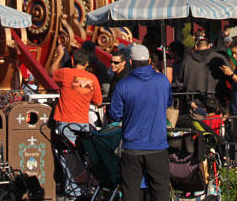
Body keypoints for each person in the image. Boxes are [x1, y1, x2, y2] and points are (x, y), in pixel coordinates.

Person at [108, 44, 172, 201]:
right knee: (161, 192)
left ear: (130, 62)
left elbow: (115, 115)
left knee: (130, 193)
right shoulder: (162, 81)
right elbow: (168, 102)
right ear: (150, 61)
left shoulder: (123, 85)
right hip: (158, 146)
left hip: (132, 147)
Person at [52, 48, 103, 198]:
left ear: (73, 60)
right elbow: (98, 102)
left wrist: (59, 56)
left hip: (64, 122)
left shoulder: (66, 73)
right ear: (87, 63)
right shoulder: (92, 78)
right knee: (81, 157)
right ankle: (82, 188)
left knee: (67, 158)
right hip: (82, 123)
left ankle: (73, 191)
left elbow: (52, 71)